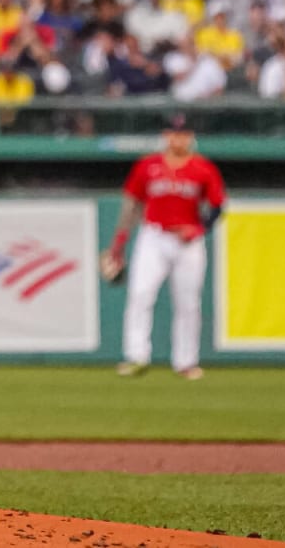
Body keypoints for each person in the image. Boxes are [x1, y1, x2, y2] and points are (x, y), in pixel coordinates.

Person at [102, 114, 226, 380]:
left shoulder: (202, 168)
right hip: (154, 235)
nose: (177, 138)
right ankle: (136, 357)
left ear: (190, 137)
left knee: (188, 303)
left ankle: (186, 361)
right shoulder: (148, 165)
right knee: (140, 294)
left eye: (182, 133)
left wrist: (198, 228)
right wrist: (119, 243)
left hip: (188, 241)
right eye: (172, 133)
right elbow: (131, 204)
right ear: (165, 136)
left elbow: (217, 206)